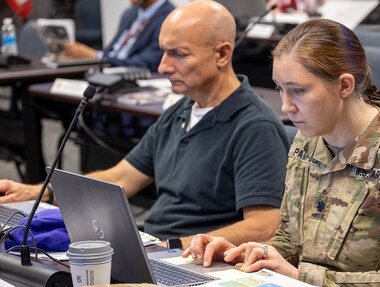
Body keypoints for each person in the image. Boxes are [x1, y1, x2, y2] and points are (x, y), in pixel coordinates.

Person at [0, 0, 289, 249]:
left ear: (222, 54)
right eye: (163, 52)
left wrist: (174, 247)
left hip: (191, 260)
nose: (163, 67)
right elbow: (121, 178)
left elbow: (263, 227)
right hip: (158, 246)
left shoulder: (254, 126)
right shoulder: (181, 110)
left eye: (178, 54)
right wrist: (40, 192)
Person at [184, 19, 380, 286]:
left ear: (344, 85)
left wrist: (300, 276)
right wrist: (247, 252)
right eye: (280, 89)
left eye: (298, 91)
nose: (286, 106)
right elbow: (290, 240)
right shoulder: (308, 139)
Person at [63, 0, 175, 72]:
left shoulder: (171, 17)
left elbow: (148, 62)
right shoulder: (129, 13)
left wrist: (96, 57)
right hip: (105, 70)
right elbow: (112, 51)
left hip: (130, 77)